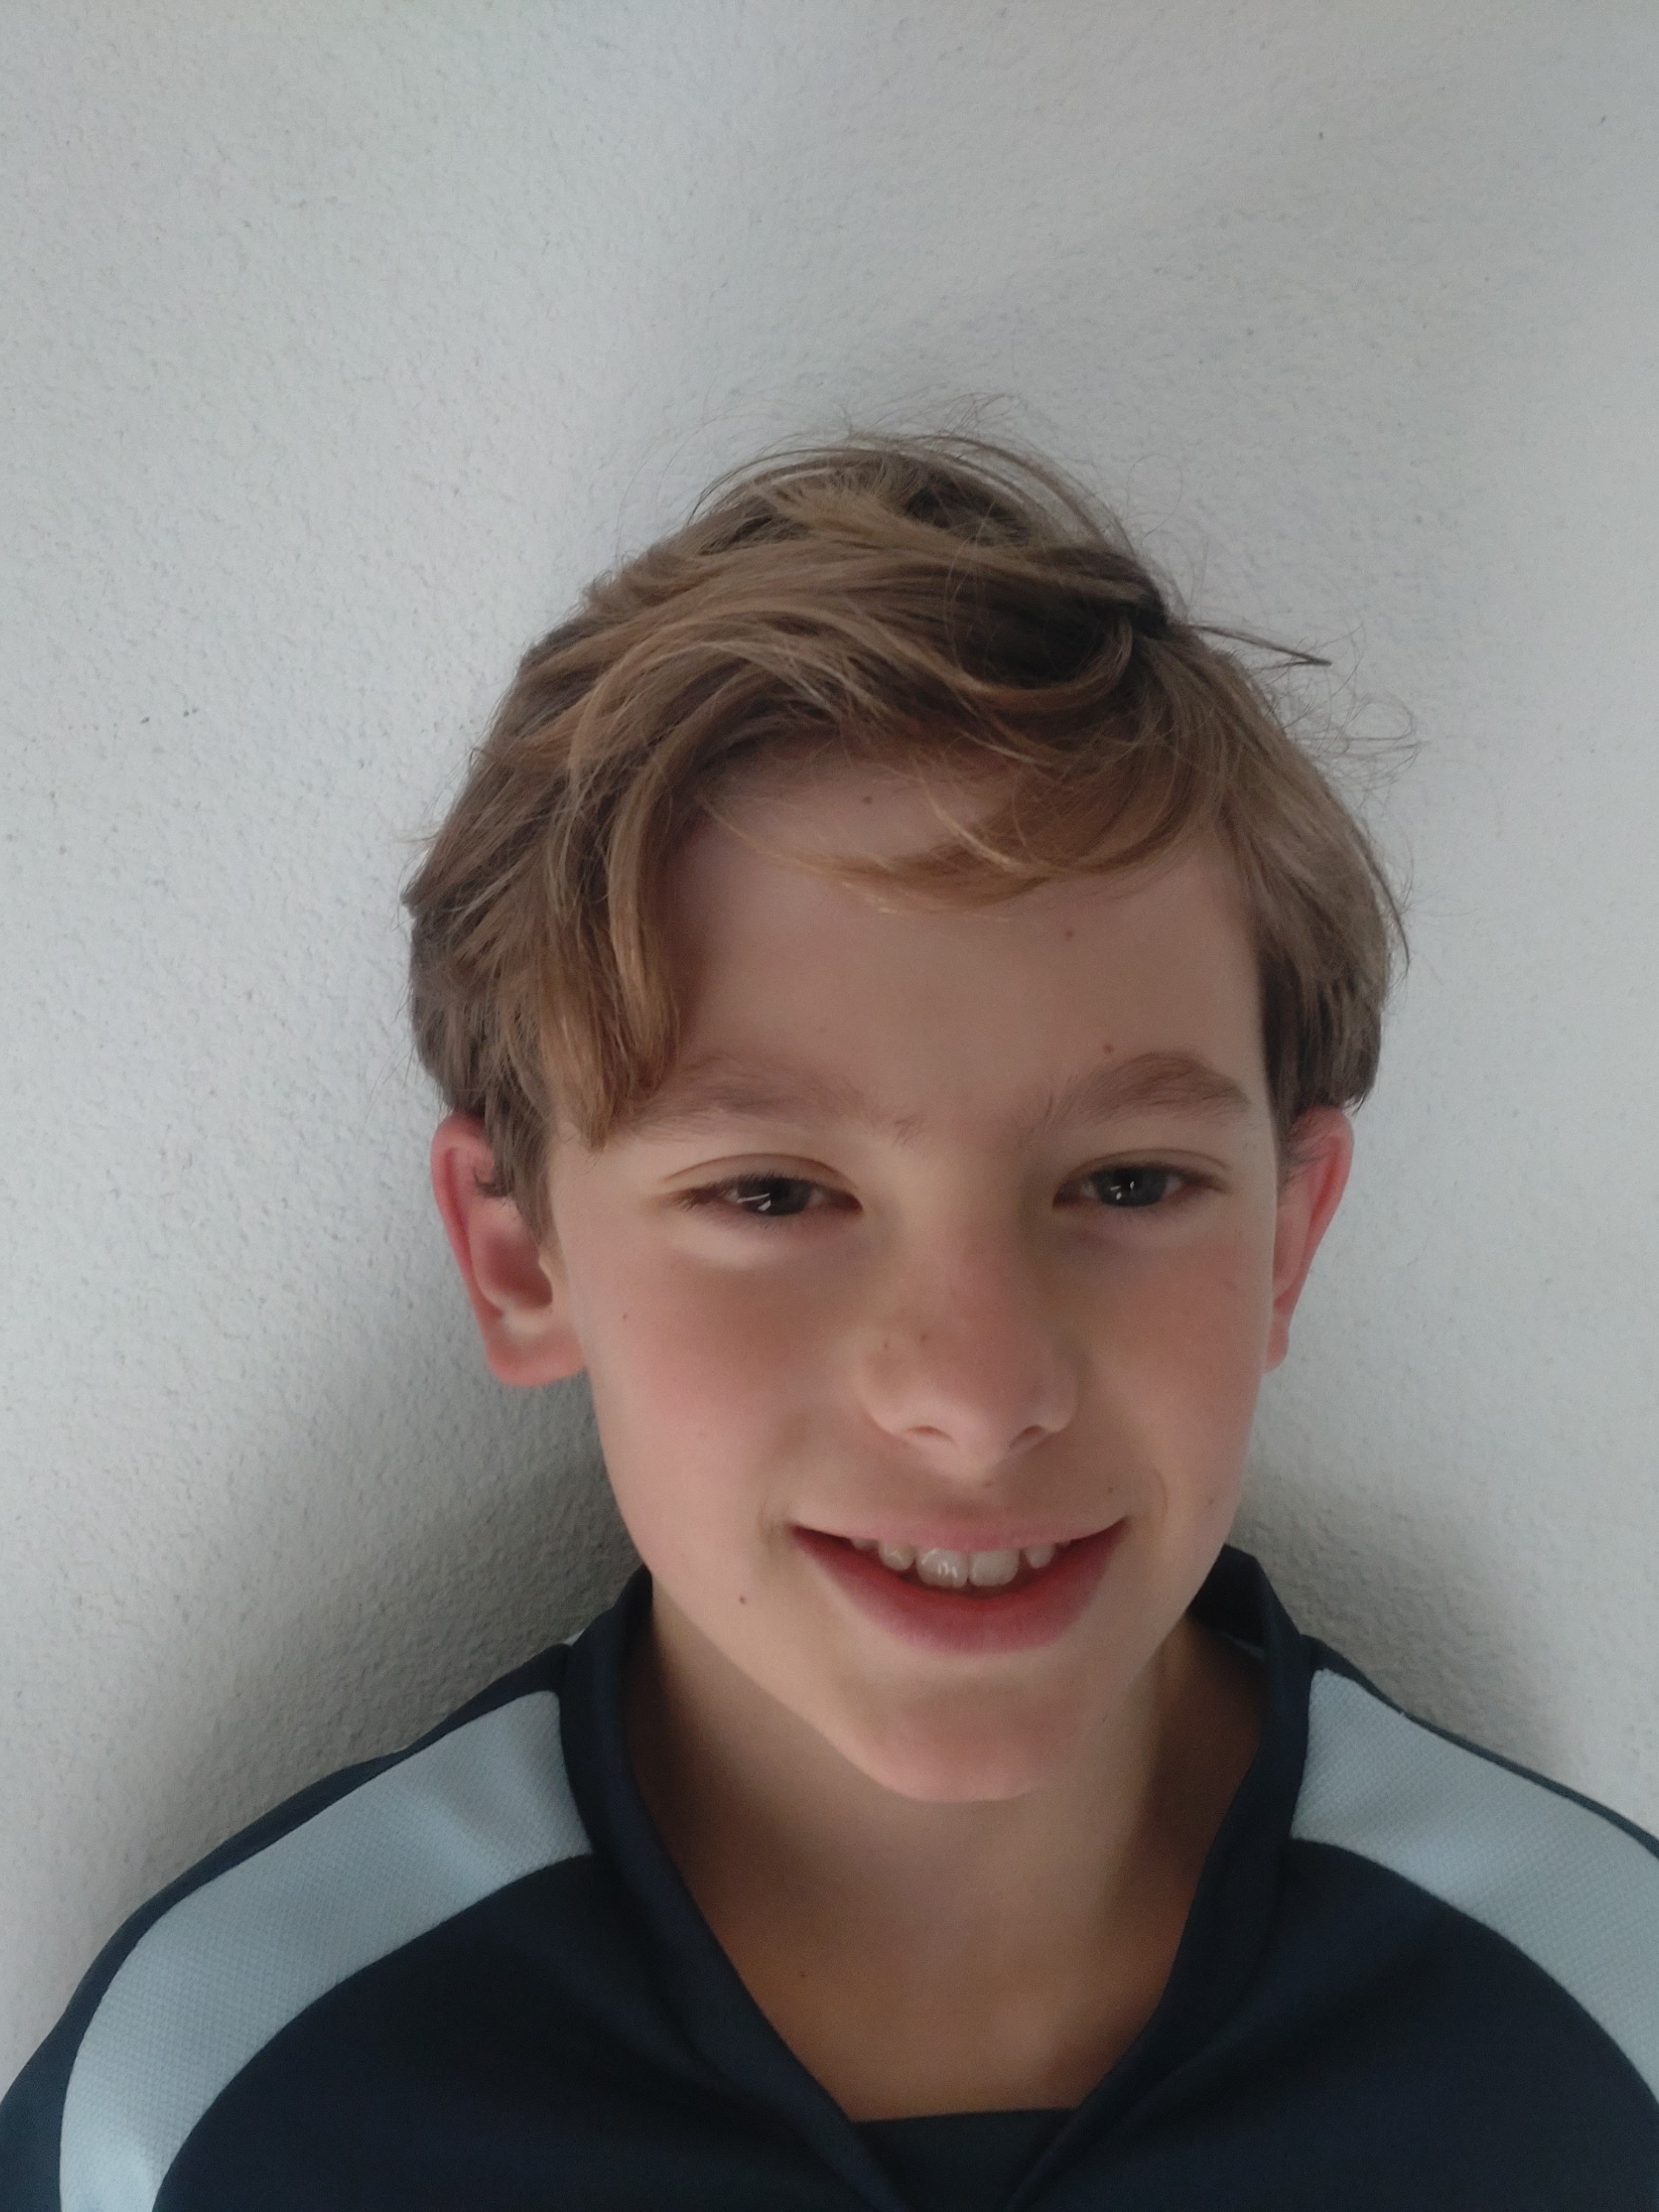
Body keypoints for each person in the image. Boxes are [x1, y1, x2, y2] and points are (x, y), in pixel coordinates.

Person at [4, 436, 1656, 2212]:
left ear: (1286, 1243)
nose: (977, 1397)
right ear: (521, 1259)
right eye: (774, 1196)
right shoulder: (220, 2106)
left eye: (1128, 1184)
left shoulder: (1604, 2030)